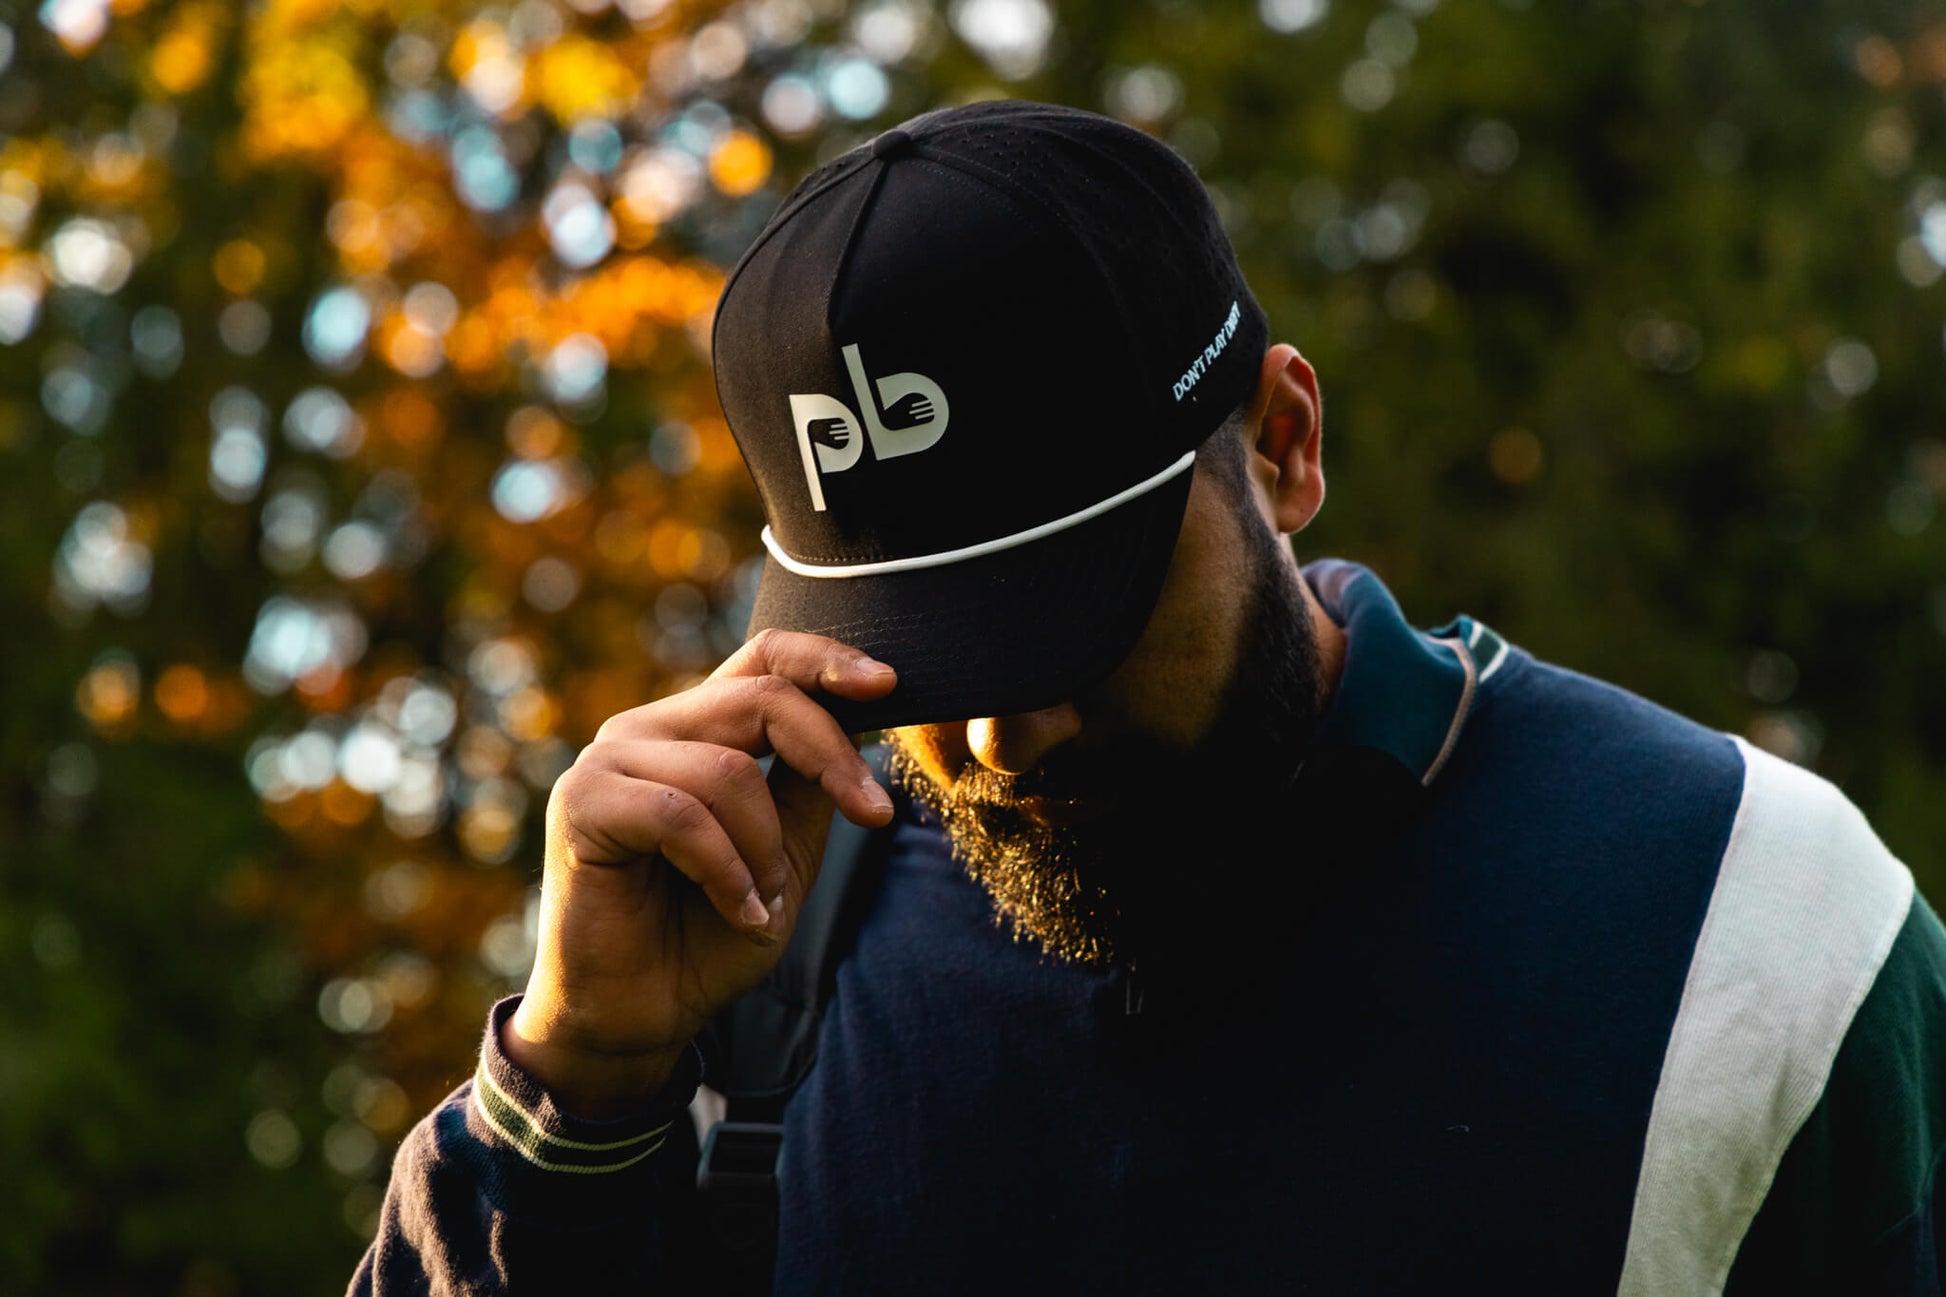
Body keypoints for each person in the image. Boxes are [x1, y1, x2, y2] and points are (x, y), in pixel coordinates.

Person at [352, 101, 1946, 1295]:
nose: (986, 737)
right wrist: (572, 1089)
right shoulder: (741, 943)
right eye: (916, 649)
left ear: (1282, 444)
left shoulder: (1758, 925)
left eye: (1063, 617)